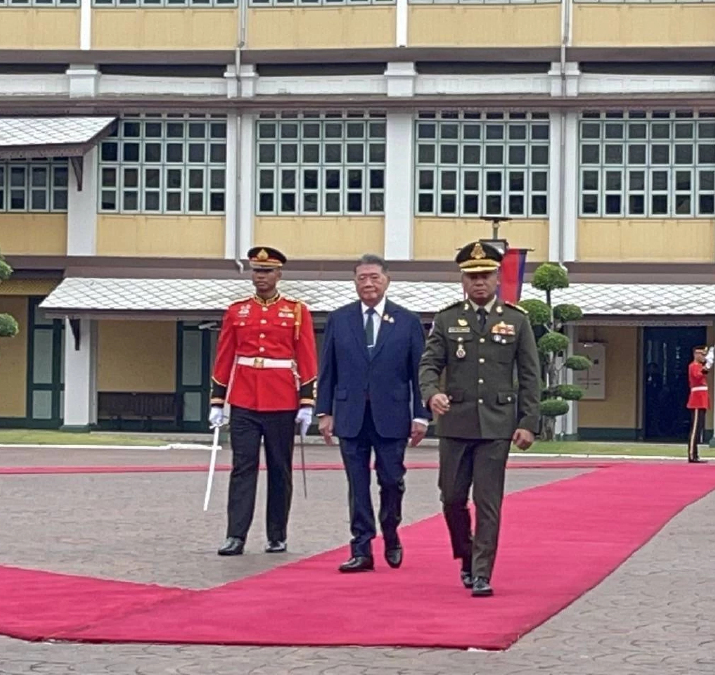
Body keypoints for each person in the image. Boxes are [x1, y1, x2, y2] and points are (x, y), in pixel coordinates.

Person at [419, 240, 542, 597]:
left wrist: (528, 421)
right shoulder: (447, 319)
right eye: (472, 276)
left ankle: (483, 572)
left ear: (497, 278)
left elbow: (530, 375)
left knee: (488, 502)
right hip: (456, 422)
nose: (479, 283)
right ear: (462, 280)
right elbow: (429, 364)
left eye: (486, 275)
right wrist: (432, 393)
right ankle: (467, 553)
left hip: (497, 424)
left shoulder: (516, 320)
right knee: (452, 498)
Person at [315, 254, 431, 573]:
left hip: (392, 415)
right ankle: (361, 547)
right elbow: (328, 370)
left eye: (374, 277)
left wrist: (421, 415)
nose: (368, 283)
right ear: (355, 282)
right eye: (362, 277)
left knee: (392, 480)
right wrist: (324, 411)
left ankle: (391, 531)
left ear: (387, 280)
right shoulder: (340, 319)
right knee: (357, 483)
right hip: (350, 413)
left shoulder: (407, 321)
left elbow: (420, 373)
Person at [208, 246, 317, 556]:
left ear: (279, 274)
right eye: (257, 270)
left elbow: (307, 356)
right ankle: (236, 535)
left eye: (267, 271)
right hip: (244, 397)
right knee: (243, 467)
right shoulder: (237, 311)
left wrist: (307, 402)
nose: (261, 276)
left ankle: (276, 534)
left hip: (281, 399)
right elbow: (225, 355)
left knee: (280, 469)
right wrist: (218, 400)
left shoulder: (296, 311)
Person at [686, 346, 711, 463]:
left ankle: (695, 454)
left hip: (702, 399)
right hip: (697, 399)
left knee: (699, 427)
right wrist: (707, 366)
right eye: (701, 354)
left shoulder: (700, 366)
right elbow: (698, 375)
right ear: (696, 354)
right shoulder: (693, 366)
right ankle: (691, 454)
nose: (703, 357)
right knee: (695, 428)